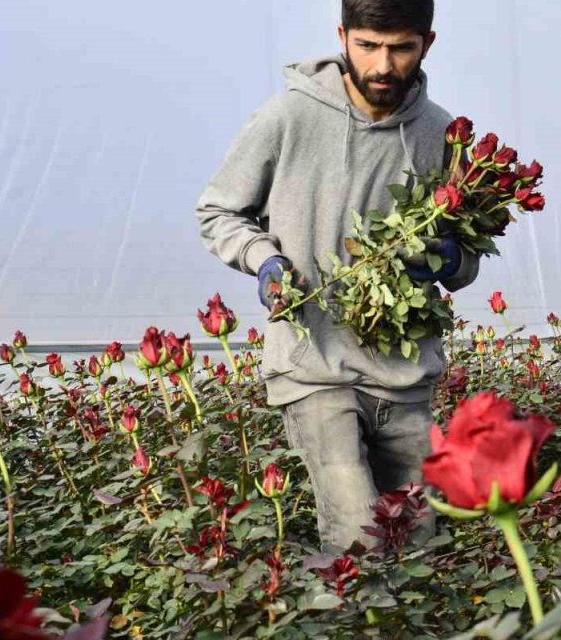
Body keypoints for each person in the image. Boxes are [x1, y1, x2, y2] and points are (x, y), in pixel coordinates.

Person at [196, 0, 479, 551]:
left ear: (427, 43)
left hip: (404, 374)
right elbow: (218, 211)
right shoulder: (288, 118)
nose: (382, 66)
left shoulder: (443, 134)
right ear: (342, 36)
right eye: (368, 46)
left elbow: (467, 258)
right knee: (361, 539)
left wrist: (448, 259)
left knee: (418, 543)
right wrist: (265, 260)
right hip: (314, 367)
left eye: (400, 48)